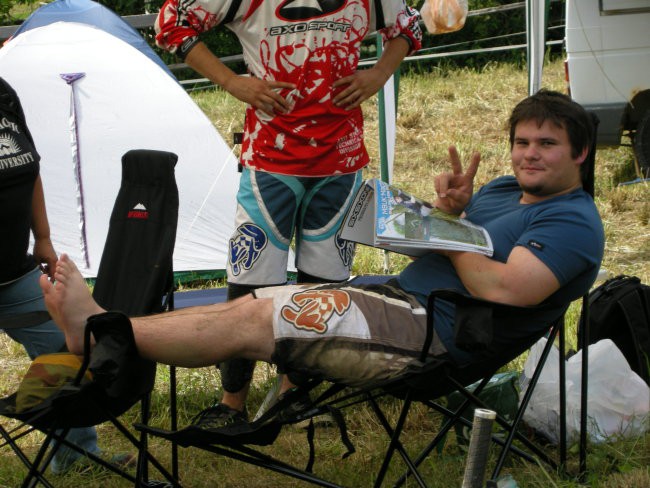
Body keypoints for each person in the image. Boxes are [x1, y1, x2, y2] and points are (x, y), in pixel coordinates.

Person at [40, 90, 605, 415]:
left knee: (258, 320)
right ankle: (102, 329)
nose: (529, 155)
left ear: (581, 153)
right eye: (522, 142)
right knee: (258, 300)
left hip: (433, 338)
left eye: (547, 144)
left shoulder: (573, 222)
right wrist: (447, 214)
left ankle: (100, 331)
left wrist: (446, 234)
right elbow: (459, 249)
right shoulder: (505, 189)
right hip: (398, 301)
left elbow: (502, 288)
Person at [154, 0, 422, 424]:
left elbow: (410, 25)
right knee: (249, 287)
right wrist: (232, 82)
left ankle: (295, 396)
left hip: (340, 163)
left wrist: (378, 74)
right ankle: (231, 403)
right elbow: (171, 23)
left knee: (323, 291)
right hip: (270, 164)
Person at [0, 77, 105, 475]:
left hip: (14, 273)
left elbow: (30, 168)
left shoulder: (4, 93)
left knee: (67, 348)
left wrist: (42, 238)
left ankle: (76, 457)